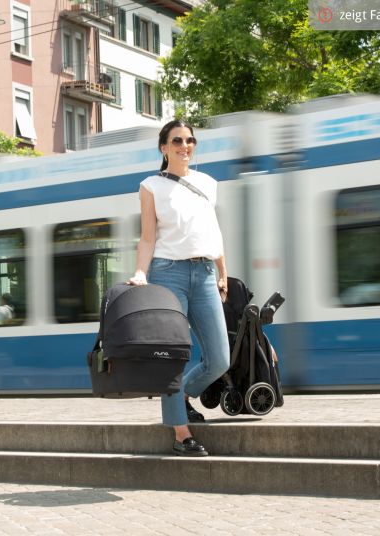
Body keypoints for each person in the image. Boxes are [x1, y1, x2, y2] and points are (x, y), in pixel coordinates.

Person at [128, 119, 230, 457]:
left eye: (190, 140)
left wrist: (222, 271)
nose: (184, 146)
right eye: (177, 141)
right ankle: (180, 432)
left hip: (203, 273)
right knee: (174, 357)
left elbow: (213, 231)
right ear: (163, 147)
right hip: (167, 272)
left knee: (219, 359)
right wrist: (141, 273)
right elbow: (147, 237)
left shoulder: (208, 183)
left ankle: (182, 394)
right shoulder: (150, 186)